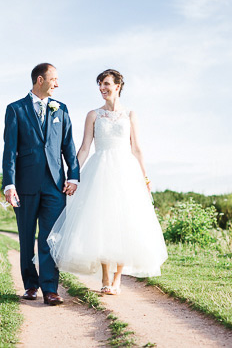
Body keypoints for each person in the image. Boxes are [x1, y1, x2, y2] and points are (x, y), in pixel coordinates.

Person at [48, 69, 167, 295]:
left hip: (126, 171)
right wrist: (72, 174)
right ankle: (104, 277)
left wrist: (145, 177)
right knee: (102, 222)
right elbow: (84, 148)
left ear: (118, 85)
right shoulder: (93, 114)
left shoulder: (131, 114)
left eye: (106, 84)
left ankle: (118, 278)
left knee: (125, 222)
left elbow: (137, 148)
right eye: (100, 85)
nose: (102, 88)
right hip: (99, 170)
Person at [2, 62, 80, 306]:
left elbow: (68, 146)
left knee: (50, 238)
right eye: (53, 79)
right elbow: (10, 150)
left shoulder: (62, 109)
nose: (57, 84)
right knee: (27, 237)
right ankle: (30, 285)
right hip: (25, 185)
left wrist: (73, 176)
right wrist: (9, 184)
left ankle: (50, 289)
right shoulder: (15, 109)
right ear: (40, 80)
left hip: (55, 185)